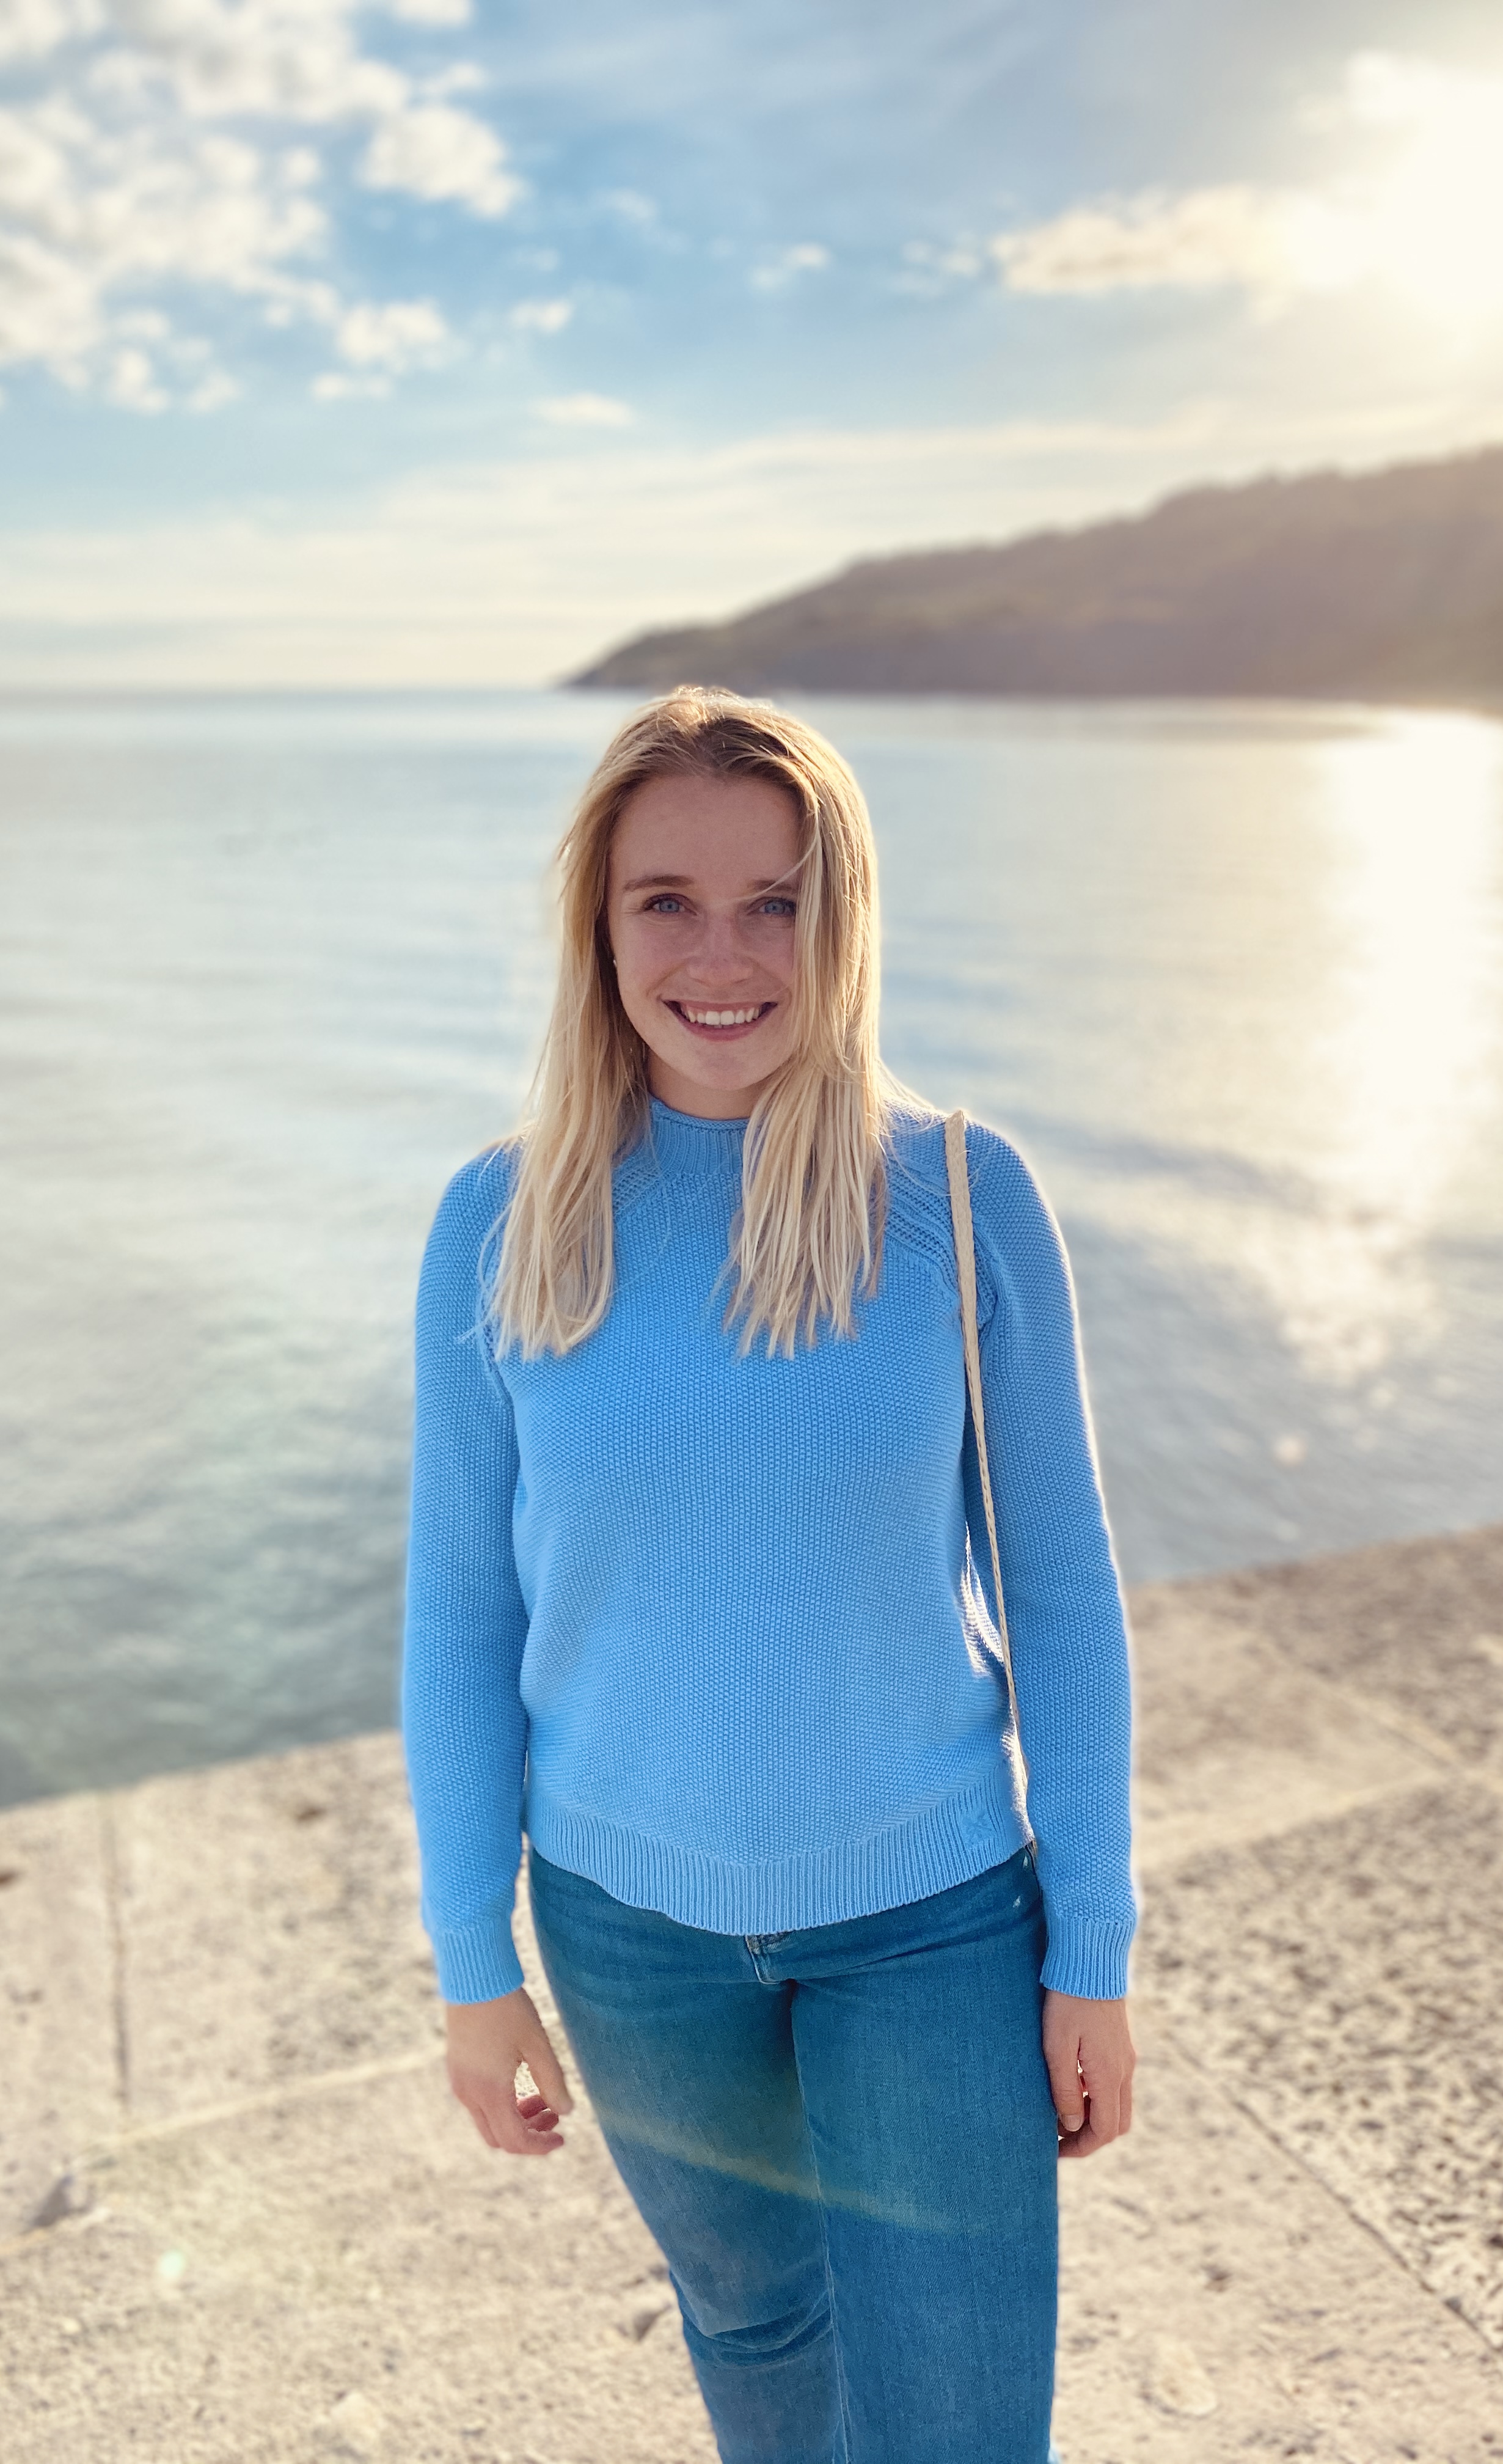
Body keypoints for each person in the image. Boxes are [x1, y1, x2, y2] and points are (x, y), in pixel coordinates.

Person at [403, 687, 1136, 2464]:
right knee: (752, 2332)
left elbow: (1060, 1590)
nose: (725, 954)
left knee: (961, 2419)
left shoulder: (959, 1199)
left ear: (844, 918)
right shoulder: (498, 1223)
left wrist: (1093, 1950)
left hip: (932, 1926)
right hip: (625, 1936)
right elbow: (459, 1609)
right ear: (599, 918)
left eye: (779, 900)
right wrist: (468, 1961)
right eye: (668, 898)